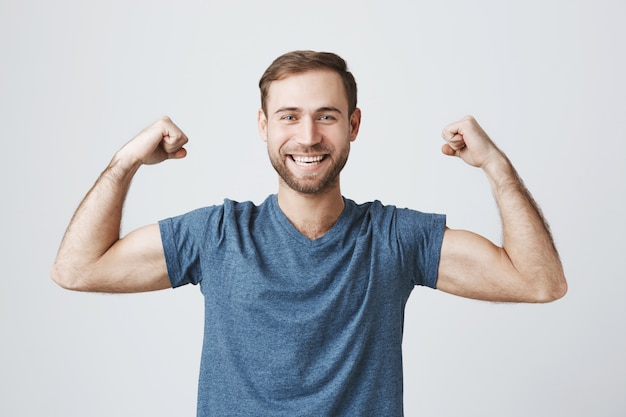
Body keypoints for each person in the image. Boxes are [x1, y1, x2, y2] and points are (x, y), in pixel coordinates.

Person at [51, 50, 567, 416]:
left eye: (327, 116)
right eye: (289, 116)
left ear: (354, 125)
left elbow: (538, 282)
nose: (308, 136)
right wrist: (125, 163)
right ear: (263, 125)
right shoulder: (218, 235)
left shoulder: (393, 238)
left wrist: (495, 165)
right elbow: (77, 268)